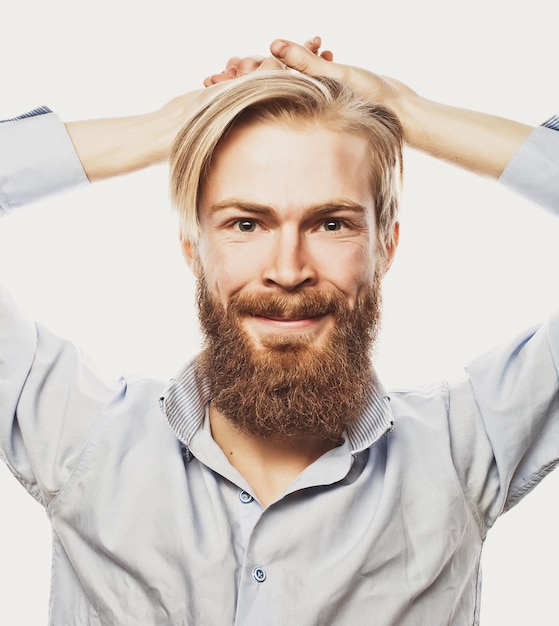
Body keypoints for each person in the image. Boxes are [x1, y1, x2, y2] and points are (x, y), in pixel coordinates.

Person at [1, 36, 558, 625]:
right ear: (194, 248)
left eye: (331, 223)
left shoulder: (462, 449)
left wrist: (407, 110)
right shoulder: (81, 438)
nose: (288, 271)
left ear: (384, 248)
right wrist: (163, 129)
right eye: (246, 223)